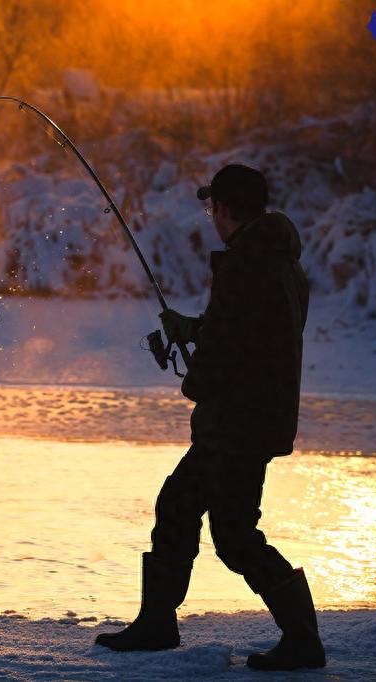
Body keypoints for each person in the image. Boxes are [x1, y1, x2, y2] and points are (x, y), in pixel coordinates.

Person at [94, 164, 324, 671]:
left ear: (223, 208)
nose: (211, 218)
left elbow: (232, 344)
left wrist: (194, 382)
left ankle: (299, 639)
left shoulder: (247, 262)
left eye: (211, 208)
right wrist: (193, 329)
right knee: (206, 518)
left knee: (216, 525)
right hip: (256, 419)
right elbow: (248, 330)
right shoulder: (280, 261)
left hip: (237, 423)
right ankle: (166, 623)